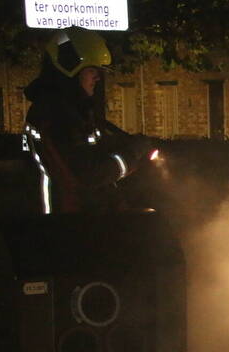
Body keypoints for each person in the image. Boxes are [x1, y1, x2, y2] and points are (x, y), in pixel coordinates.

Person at [23, 27, 149, 214]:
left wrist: (126, 144)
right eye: (92, 70)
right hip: (64, 224)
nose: (98, 77)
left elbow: (93, 150)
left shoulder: (72, 111)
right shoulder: (54, 115)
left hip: (80, 220)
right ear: (70, 69)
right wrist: (131, 155)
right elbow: (88, 174)